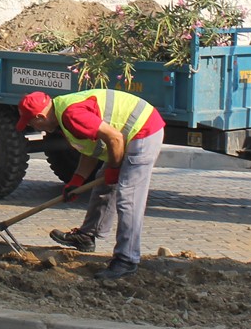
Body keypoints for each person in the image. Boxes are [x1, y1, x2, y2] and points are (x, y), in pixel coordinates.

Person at [16, 88, 165, 281]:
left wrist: (115, 167)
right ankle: (87, 236)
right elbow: (92, 148)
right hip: (129, 132)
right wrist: (77, 180)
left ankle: (126, 259)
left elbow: (115, 137)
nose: (36, 128)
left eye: (31, 123)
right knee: (104, 184)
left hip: (143, 130)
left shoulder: (71, 114)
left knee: (128, 197)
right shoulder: (62, 112)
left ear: (39, 117)